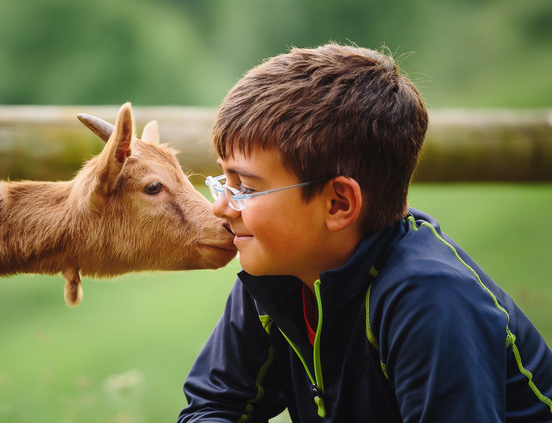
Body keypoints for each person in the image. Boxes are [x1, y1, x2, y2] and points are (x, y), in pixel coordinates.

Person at [177, 43, 552, 422]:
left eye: (247, 189)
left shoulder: (432, 300)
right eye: (224, 181)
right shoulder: (277, 276)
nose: (221, 207)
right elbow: (211, 408)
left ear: (339, 203)